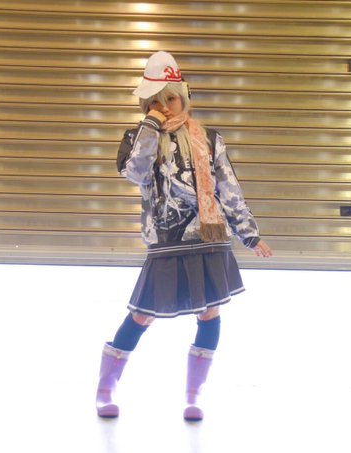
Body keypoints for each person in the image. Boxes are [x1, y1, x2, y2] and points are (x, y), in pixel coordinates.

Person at [96, 50, 273, 422]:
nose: (164, 107)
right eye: (155, 101)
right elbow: (135, 174)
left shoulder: (208, 138)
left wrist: (249, 235)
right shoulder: (137, 138)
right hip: (166, 240)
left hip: (208, 237)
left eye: (170, 99)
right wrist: (151, 126)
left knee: (210, 312)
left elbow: (228, 189)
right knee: (142, 314)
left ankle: (194, 396)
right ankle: (105, 389)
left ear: (183, 98)